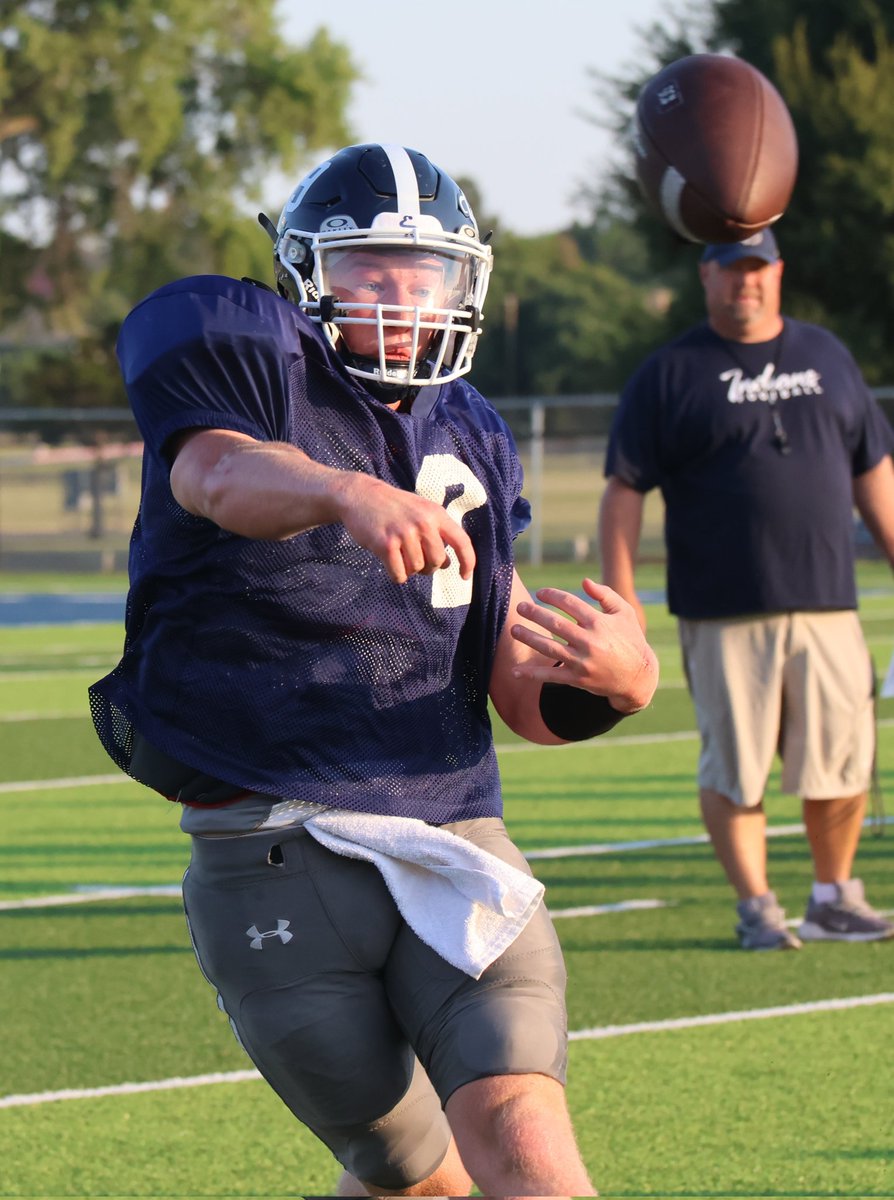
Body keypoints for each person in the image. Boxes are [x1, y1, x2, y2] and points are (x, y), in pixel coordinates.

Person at [89, 142, 658, 1197]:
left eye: (424, 271)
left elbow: (511, 678)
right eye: (370, 269)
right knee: (409, 1175)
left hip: (452, 832)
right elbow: (217, 472)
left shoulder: (475, 434)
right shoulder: (248, 355)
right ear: (308, 275)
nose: (402, 294)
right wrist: (340, 493)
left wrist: (615, 687)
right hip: (269, 838)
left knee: (523, 1132)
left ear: (465, 284)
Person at [599, 227, 894, 952]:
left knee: (840, 758)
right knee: (735, 768)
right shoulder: (672, 372)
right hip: (722, 607)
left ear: (779, 272)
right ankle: (758, 908)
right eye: (732, 269)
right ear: (707, 276)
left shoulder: (826, 355)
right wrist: (622, 591)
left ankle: (832, 897)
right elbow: (624, 489)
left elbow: (872, 467)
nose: (747, 282)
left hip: (827, 600)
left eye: (758, 268)